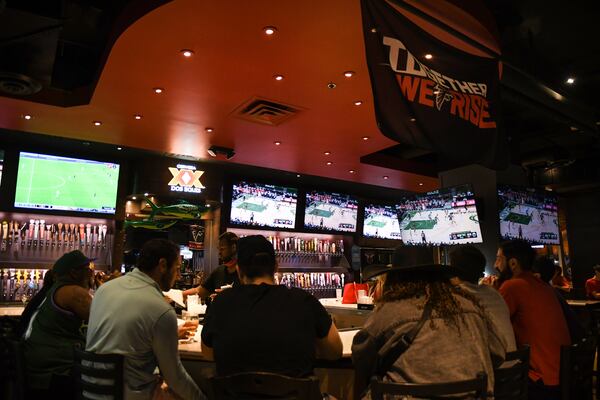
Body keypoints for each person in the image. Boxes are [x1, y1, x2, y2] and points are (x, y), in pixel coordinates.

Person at [352, 254, 505, 398]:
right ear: (439, 277)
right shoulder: (470, 305)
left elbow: (361, 358)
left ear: (394, 280)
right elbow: (498, 353)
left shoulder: (388, 311)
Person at [201, 235, 342, 377]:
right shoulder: (304, 301)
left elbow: (208, 354)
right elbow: (335, 352)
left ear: (239, 270)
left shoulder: (220, 303)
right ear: (276, 266)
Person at [86, 239, 204, 400]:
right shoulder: (161, 310)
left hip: (90, 390)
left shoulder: (104, 290)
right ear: (162, 265)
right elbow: (175, 378)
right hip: (128, 395)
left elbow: (123, 336)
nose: (177, 276)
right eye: (176, 269)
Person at [496, 240, 571, 400]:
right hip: (563, 375)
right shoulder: (544, 286)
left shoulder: (512, 286)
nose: (496, 265)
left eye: (499, 259)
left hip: (539, 380)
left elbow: (492, 326)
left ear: (513, 263)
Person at [23, 250, 94, 400]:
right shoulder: (74, 293)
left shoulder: (54, 289)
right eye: (88, 269)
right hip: (55, 372)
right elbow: (103, 320)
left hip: (38, 363)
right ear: (74, 273)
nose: (91, 273)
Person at [448, 246, 516, 354]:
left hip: (493, 367)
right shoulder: (494, 293)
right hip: (514, 365)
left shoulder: (458, 297)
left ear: (452, 271)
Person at [533, 257, 584, 343]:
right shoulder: (551, 292)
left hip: (559, 347)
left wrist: (558, 287)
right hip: (567, 344)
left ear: (537, 276)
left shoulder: (544, 294)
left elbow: (567, 288)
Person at [182, 232, 239, 302]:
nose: (219, 253)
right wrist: (179, 295)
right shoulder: (219, 271)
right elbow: (199, 291)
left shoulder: (244, 273)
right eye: (219, 249)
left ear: (233, 248)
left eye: (222, 249)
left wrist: (227, 297)